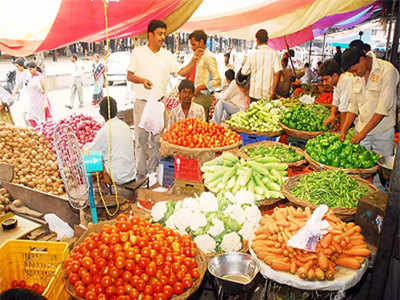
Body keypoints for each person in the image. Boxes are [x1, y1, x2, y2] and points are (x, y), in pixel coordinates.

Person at [127, 19, 200, 180]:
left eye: (164, 34)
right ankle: (140, 175)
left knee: (157, 141)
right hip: (142, 103)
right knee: (140, 141)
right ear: (150, 35)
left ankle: (153, 174)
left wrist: (193, 60)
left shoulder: (167, 55)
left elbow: (181, 72)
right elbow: (129, 75)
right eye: (159, 34)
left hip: (159, 104)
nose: (162, 37)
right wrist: (141, 80)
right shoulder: (138, 52)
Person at [339, 46, 399, 158]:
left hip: (382, 133)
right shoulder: (357, 76)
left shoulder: (387, 71)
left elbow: (382, 109)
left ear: (362, 59)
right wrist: (343, 130)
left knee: (382, 167)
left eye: (355, 70)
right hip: (361, 129)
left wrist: (362, 134)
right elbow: (353, 107)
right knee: (361, 167)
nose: (355, 74)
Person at [84, 96, 136, 184]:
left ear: (101, 112)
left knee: (90, 157)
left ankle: (95, 186)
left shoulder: (105, 130)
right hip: (131, 173)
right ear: (116, 110)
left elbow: (91, 151)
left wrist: (84, 147)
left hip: (118, 176)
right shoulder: (124, 125)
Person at [241, 29, 281, 102]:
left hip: (254, 93)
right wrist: (273, 91)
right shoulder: (274, 53)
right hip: (268, 94)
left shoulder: (252, 54)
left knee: (254, 113)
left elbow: (244, 72)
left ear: (257, 40)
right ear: (267, 39)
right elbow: (277, 73)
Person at [189, 30, 221, 119]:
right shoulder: (199, 56)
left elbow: (217, 81)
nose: (192, 48)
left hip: (204, 96)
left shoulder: (209, 57)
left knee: (197, 125)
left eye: (194, 44)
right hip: (198, 95)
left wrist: (199, 88)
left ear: (202, 42)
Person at [319, 59, 353, 130]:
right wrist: (332, 115)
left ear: (334, 75)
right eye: (323, 80)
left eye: (326, 79)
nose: (324, 83)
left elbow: (344, 109)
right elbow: (335, 101)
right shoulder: (337, 83)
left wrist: (342, 132)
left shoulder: (346, 81)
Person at [25, 62, 51, 127]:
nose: (30, 71)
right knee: (30, 117)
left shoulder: (40, 77)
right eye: (29, 69)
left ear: (35, 68)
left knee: (42, 120)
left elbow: (45, 90)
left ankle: (42, 132)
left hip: (40, 101)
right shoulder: (30, 77)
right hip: (33, 101)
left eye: (31, 69)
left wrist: (45, 101)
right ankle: (37, 130)